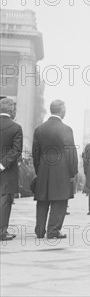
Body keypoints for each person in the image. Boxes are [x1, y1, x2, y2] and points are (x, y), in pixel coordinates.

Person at [32, 100, 78, 239]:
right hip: (61, 168)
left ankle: (40, 230)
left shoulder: (39, 129)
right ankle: (53, 231)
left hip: (44, 167)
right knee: (60, 200)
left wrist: (38, 170)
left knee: (42, 199)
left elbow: (35, 153)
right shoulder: (66, 129)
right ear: (62, 110)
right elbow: (71, 152)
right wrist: (72, 171)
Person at [0, 98, 23, 241]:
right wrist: (2, 164)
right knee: (4, 200)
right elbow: (16, 150)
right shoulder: (16, 128)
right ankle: (2, 232)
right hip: (7, 171)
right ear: (11, 111)